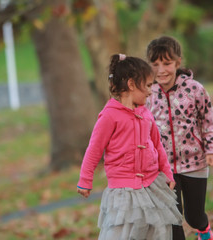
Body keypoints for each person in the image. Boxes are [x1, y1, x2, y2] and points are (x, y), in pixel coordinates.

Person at [77, 53, 182, 240]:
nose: (151, 91)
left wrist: (167, 172)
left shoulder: (146, 114)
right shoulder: (109, 116)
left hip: (151, 185)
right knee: (122, 232)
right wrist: (85, 180)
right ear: (132, 84)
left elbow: (157, 146)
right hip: (124, 189)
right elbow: (94, 150)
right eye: (148, 86)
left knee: (154, 230)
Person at [145, 36, 213, 240]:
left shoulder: (195, 90)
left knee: (194, 217)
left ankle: (204, 230)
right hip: (163, 168)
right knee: (172, 219)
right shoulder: (147, 94)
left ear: (178, 62)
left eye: (166, 63)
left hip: (195, 164)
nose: (161, 70)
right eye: (155, 64)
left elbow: (209, 122)